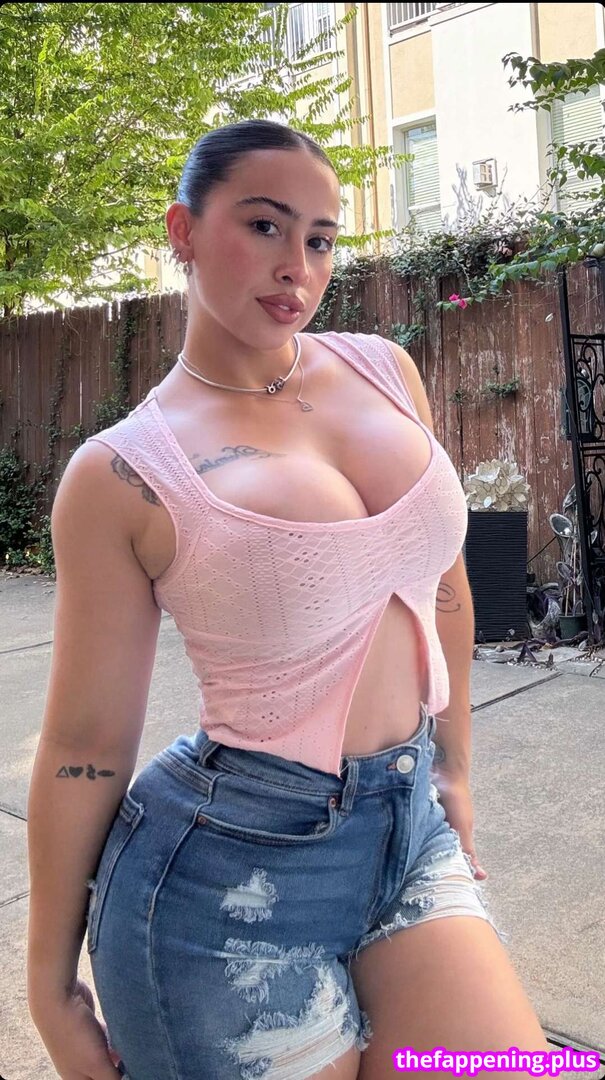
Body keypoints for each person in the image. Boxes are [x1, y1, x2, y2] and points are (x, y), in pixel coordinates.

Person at [27, 119, 549, 1080]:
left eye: (319, 238)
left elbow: (439, 582)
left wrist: (452, 769)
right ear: (184, 230)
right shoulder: (124, 472)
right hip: (227, 878)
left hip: (407, 828)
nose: (295, 267)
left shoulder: (382, 371)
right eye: (263, 226)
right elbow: (84, 741)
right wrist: (48, 985)